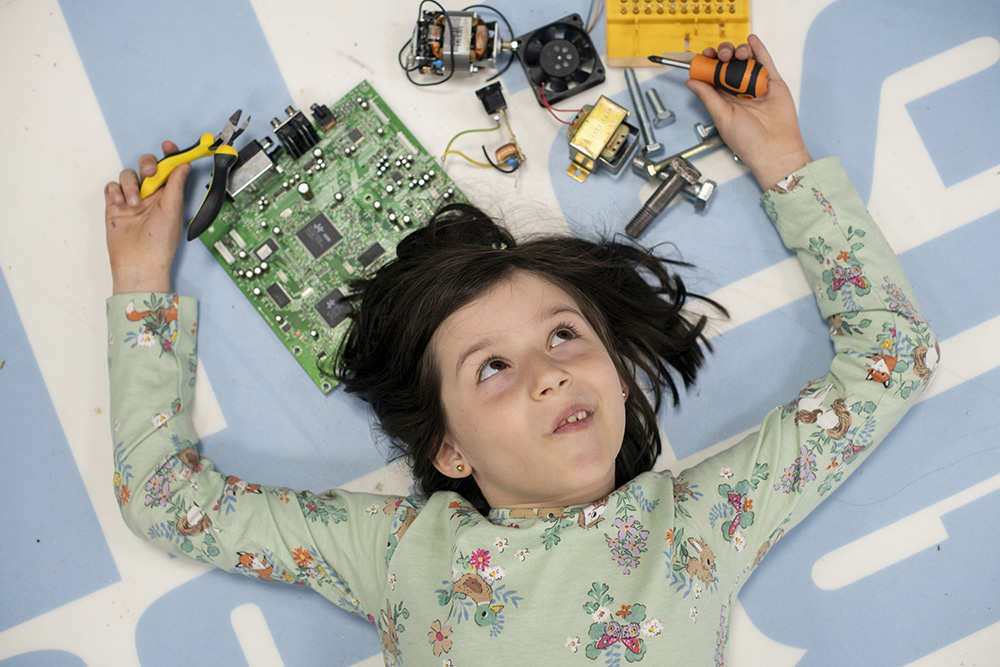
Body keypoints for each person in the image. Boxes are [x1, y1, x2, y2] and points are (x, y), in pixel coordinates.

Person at [104, 36, 939, 665]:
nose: (551, 374)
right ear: (449, 447)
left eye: (564, 334)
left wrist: (779, 157)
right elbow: (166, 498)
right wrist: (142, 280)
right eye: (492, 367)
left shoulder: (699, 524)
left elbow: (892, 357)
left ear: (613, 369)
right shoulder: (397, 551)